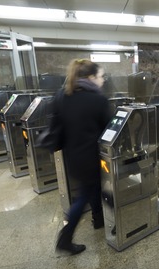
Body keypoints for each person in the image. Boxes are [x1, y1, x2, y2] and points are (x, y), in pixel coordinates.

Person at [55, 58, 112, 255]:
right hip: (92, 158)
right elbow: (110, 130)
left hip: (73, 157)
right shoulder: (98, 100)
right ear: (91, 77)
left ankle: (99, 219)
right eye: (101, 76)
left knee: (93, 188)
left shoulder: (63, 95)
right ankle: (65, 237)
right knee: (84, 196)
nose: (103, 80)